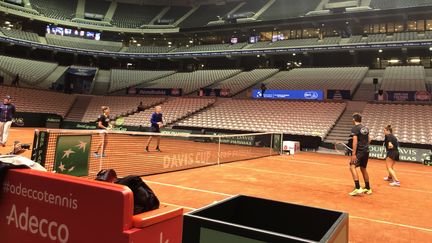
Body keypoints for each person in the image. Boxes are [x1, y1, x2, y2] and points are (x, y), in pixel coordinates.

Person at [348, 113, 372, 196]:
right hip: (366, 151)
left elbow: (355, 141)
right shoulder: (365, 128)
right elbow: (369, 139)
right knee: (363, 168)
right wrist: (364, 146)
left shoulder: (355, 128)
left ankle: (358, 188)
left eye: (352, 119)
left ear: (354, 119)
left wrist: (354, 154)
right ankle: (368, 188)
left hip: (360, 152)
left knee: (352, 166)